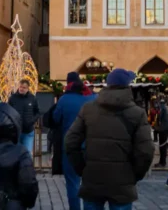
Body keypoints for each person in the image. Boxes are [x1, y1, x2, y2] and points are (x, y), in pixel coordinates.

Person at [64, 68, 154, 210]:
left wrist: (82, 169)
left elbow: (70, 142)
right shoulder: (138, 113)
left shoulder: (88, 109)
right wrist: (134, 175)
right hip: (122, 182)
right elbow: (146, 151)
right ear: (127, 86)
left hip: (92, 179)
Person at [49, 73, 92, 210]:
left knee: (72, 182)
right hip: (91, 145)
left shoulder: (64, 99)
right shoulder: (93, 98)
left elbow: (55, 119)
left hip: (70, 146)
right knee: (89, 182)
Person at [8, 79, 40, 154]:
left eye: (24, 87)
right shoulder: (13, 98)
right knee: (15, 154)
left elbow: (37, 112)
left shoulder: (32, 98)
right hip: (15, 131)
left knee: (27, 154)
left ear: (28, 88)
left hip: (28, 131)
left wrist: (32, 121)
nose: (21, 89)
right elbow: (8, 111)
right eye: (20, 87)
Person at [154, 96, 168, 167]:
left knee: (162, 146)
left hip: (164, 129)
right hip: (165, 128)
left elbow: (160, 117)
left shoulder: (162, 108)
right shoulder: (164, 107)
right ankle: (162, 161)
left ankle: (162, 162)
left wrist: (158, 124)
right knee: (163, 145)